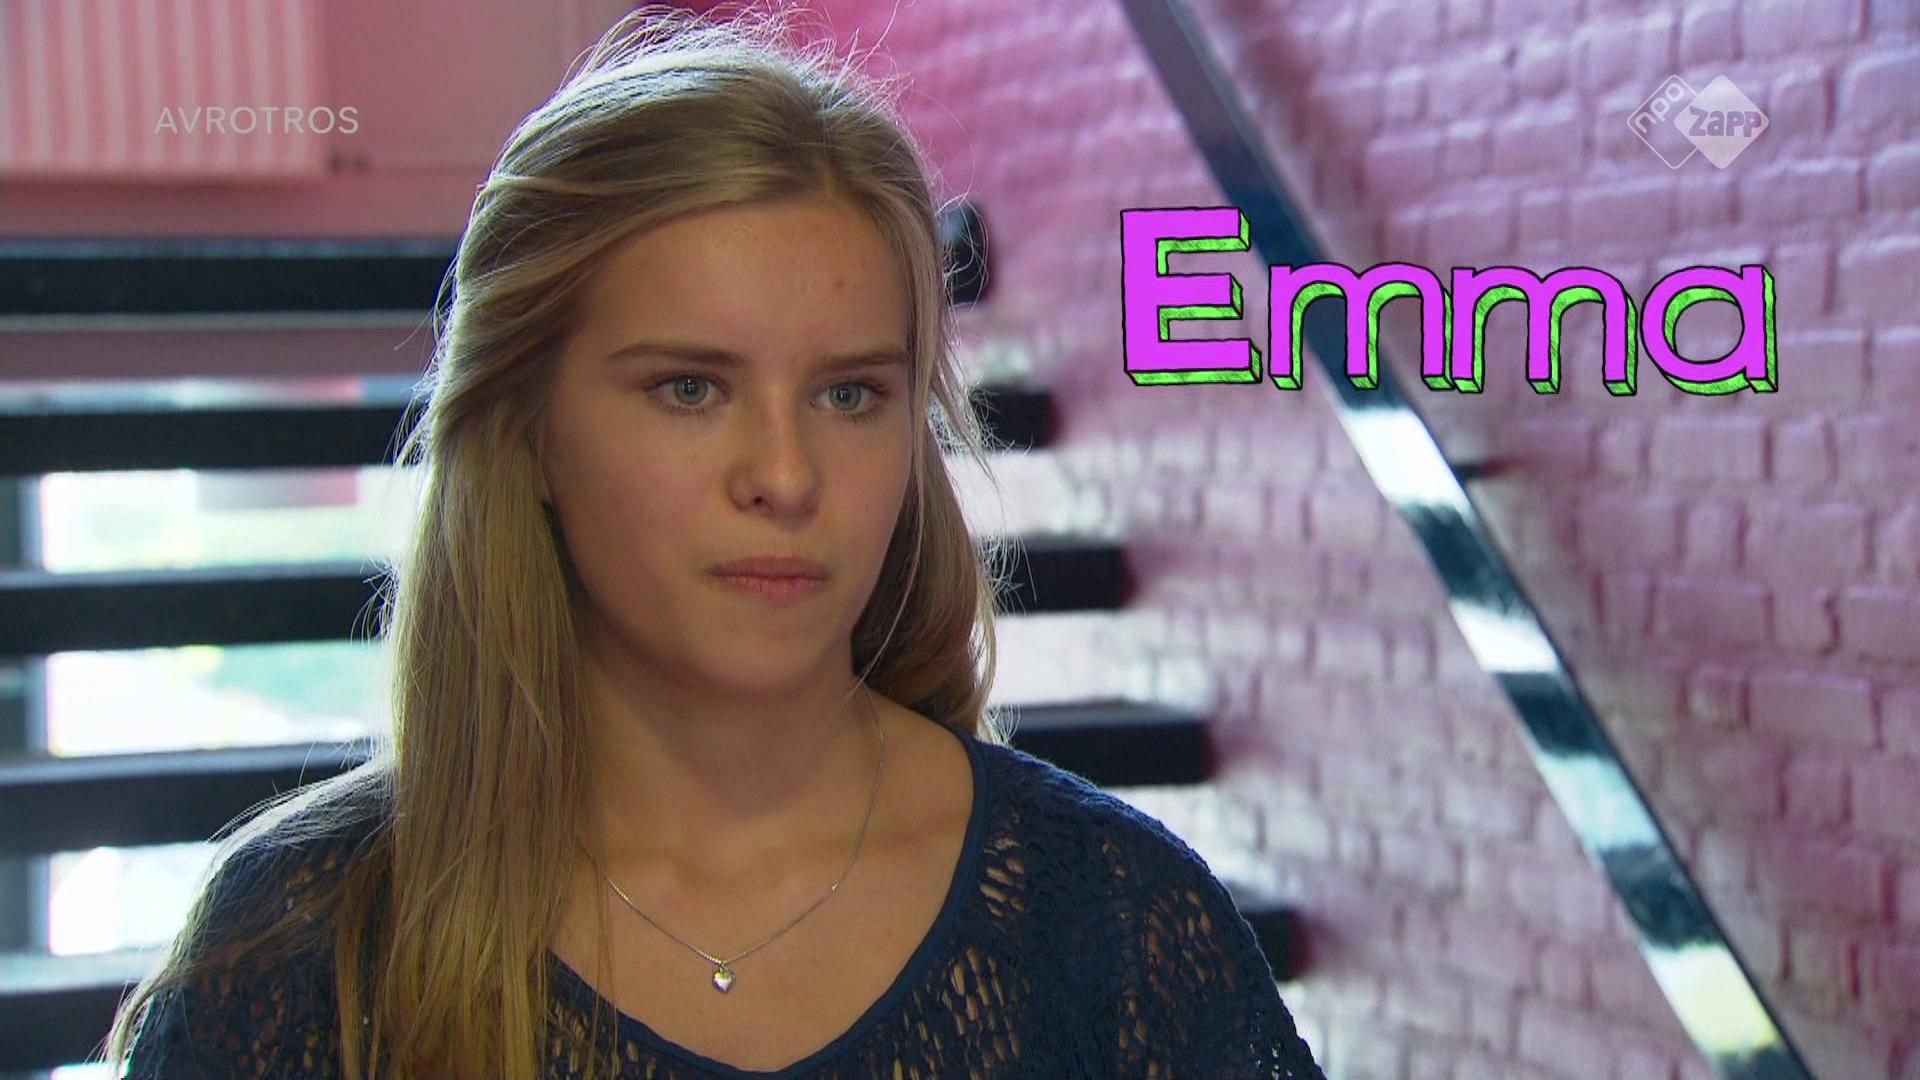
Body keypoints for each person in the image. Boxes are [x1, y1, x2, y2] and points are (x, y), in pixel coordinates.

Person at [103, 4, 1326, 1077]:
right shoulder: (302, 953)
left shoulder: (1114, 922)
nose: (785, 477)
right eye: (689, 388)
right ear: (527, 434)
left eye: (850, 394)